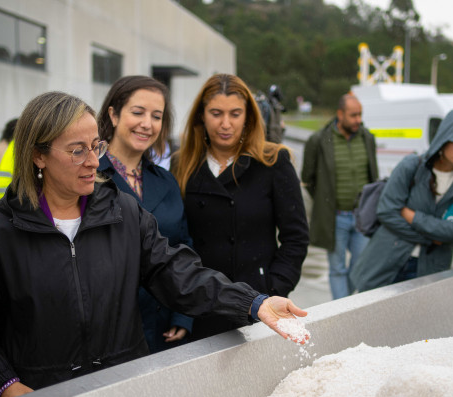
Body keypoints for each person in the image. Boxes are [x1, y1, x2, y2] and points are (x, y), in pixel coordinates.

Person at [0, 91, 307, 397]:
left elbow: (176, 272)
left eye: (95, 146)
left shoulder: (122, 211)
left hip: (120, 388)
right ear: (38, 156)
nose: (92, 161)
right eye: (76, 151)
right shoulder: (1, 229)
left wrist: (252, 302)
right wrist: (5, 385)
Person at [171, 74, 309, 342]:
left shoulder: (273, 161)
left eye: (235, 114)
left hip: (259, 307)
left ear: (248, 117)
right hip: (200, 306)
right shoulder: (182, 164)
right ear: (201, 116)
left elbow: (296, 238)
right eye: (216, 113)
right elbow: (174, 241)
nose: (225, 124)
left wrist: (271, 290)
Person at [96, 75, 193, 353]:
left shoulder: (165, 180)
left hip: (164, 328)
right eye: (137, 112)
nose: (147, 124)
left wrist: (183, 313)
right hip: (108, 332)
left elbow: (183, 247)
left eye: (156, 116)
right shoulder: (88, 178)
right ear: (113, 115)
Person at [349, 110, 453, 292]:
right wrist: (431, 239)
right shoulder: (412, 165)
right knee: (371, 317)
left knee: (417, 318)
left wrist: (413, 217)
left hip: (430, 268)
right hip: (387, 259)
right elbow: (387, 211)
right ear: (444, 140)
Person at [301, 93, 379, 300]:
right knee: (336, 268)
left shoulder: (367, 138)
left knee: (361, 265)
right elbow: (307, 178)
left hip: (362, 217)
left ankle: (343, 306)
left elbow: (374, 175)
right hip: (334, 217)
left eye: (360, 115)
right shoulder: (318, 140)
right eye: (353, 115)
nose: (358, 120)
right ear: (340, 114)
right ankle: (342, 310)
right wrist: (324, 200)